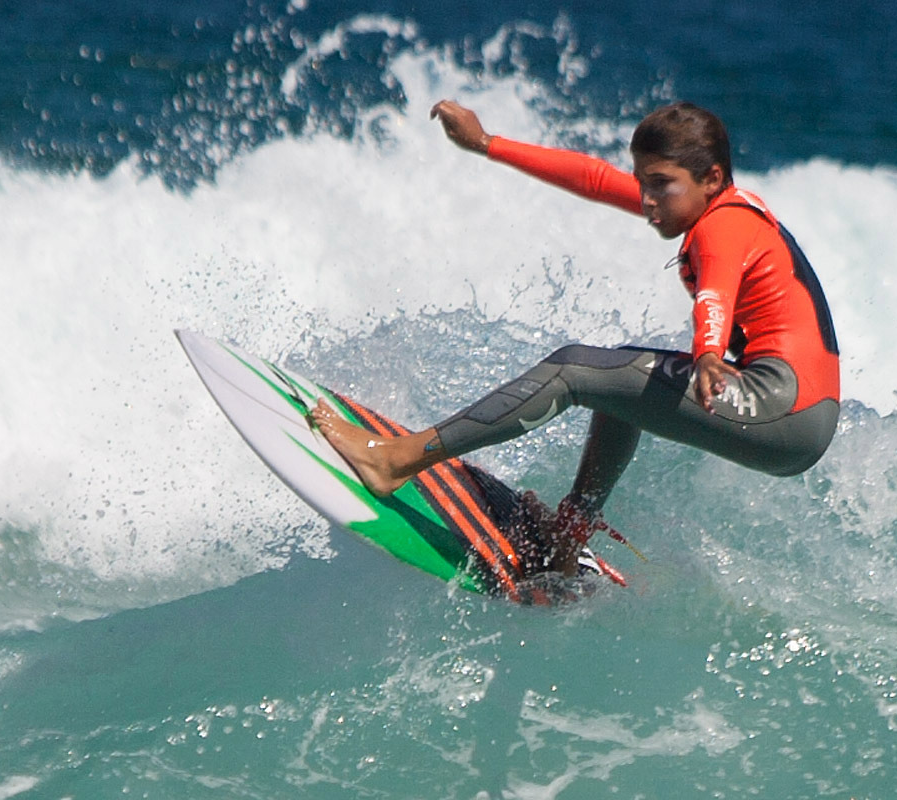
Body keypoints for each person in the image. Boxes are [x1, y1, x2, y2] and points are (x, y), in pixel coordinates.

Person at [312, 99, 840, 575]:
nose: (647, 198)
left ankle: (395, 460)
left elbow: (716, 293)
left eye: (660, 183)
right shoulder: (710, 203)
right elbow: (593, 178)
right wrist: (486, 143)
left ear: (711, 177)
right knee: (615, 382)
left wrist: (706, 353)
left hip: (783, 410)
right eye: (643, 182)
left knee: (575, 369)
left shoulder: (722, 226)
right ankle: (568, 536)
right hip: (796, 417)